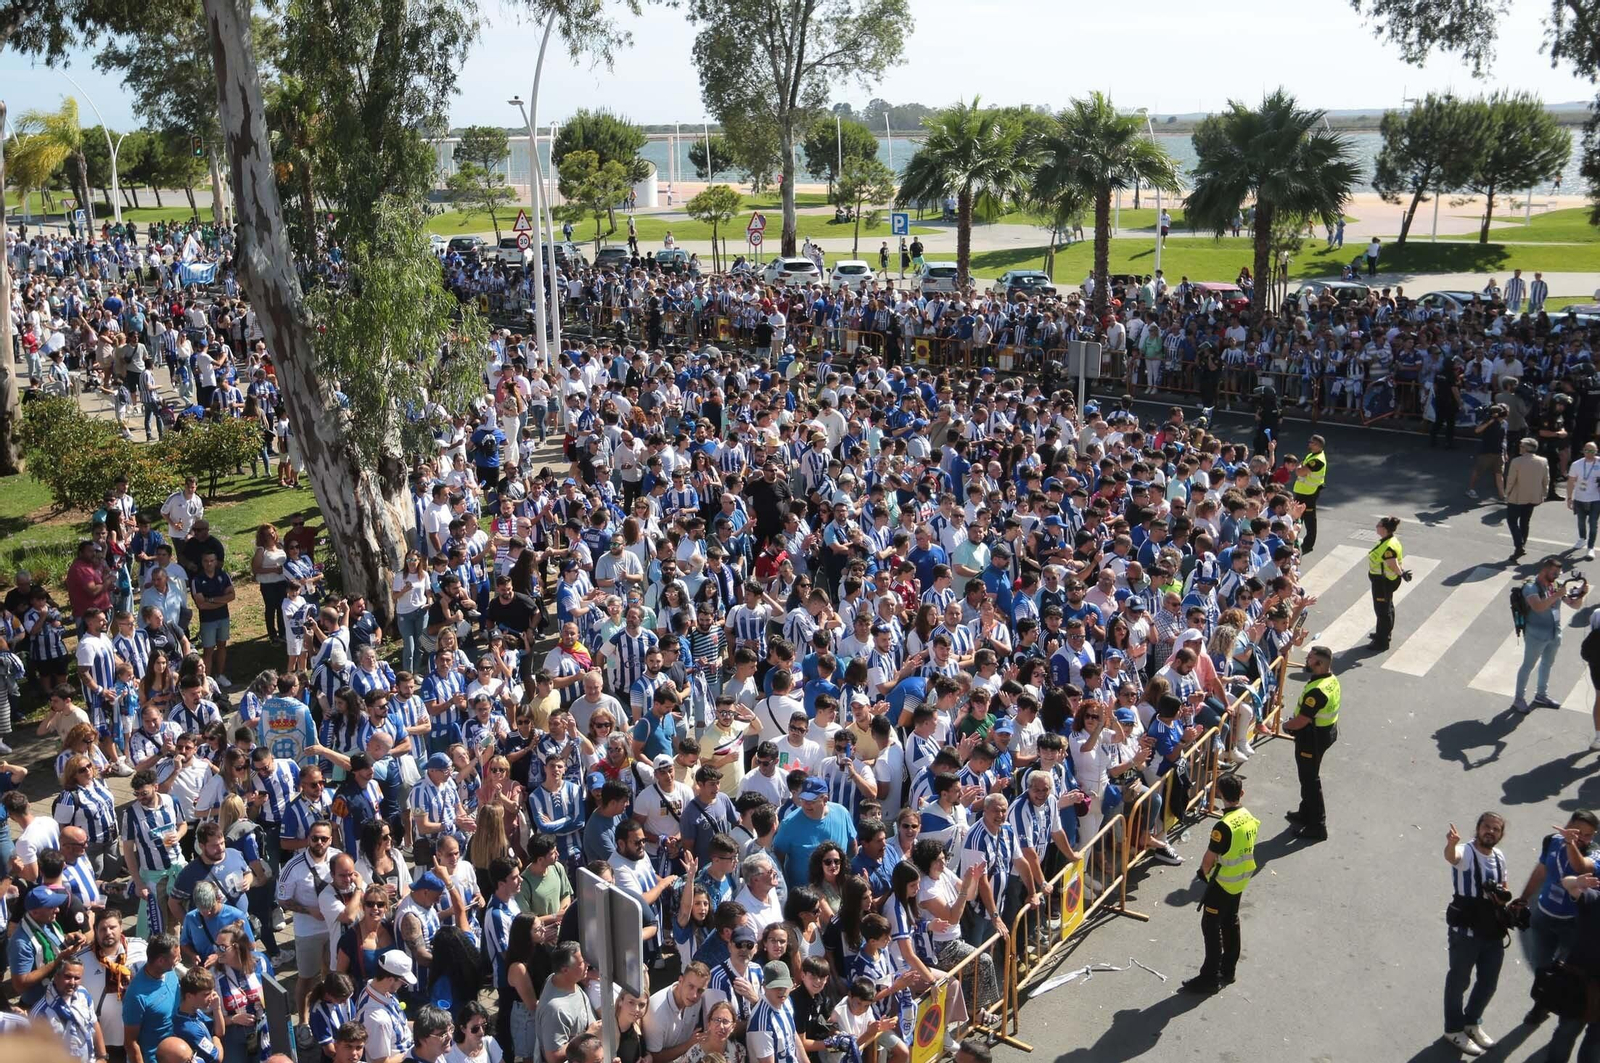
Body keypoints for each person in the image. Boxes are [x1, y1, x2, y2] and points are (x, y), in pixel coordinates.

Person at [1180, 773, 1256, 994]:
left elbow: (1209, 859)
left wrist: (1204, 874)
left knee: (1211, 928)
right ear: (1241, 793)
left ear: (1220, 794)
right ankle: (1228, 970)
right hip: (1240, 880)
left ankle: (1209, 978)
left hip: (1222, 882)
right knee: (1231, 921)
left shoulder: (1223, 826)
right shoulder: (1248, 816)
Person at [1442, 813, 1509, 1056]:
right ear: (1478, 828)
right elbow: (1453, 857)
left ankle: (1471, 1022)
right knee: (1459, 981)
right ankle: (1453, 1029)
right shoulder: (1466, 852)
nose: (1490, 831)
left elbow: (1504, 887)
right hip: (1466, 932)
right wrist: (1451, 844)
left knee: (1489, 982)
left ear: (1500, 834)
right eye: (1486, 827)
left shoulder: (1499, 857)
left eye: (1496, 829)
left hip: (1492, 930)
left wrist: (1502, 898)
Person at [1515, 556, 1588, 714]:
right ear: (1544, 571)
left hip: (1554, 632)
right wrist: (1556, 595)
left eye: (1558, 574)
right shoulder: (1531, 587)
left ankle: (1541, 695)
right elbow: (1538, 607)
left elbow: (1574, 605)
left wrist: (1581, 594)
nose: (1557, 576)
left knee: (1547, 664)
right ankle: (1519, 699)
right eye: (1554, 573)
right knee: (1528, 666)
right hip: (1536, 634)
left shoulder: (1555, 585)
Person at [1282, 644, 1339, 841]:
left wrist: (1286, 725)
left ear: (1320, 663)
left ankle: (1317, 826)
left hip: (1311, 739)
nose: (1307, 660)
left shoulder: (1318, 692)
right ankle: (1305, 812)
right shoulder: (1330, 679)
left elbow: (1302, 720)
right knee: (1308, 777)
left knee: (1309, 780)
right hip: (1324, 733)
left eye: (1310, 658)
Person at [124, 933, 182, 1063]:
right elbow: (130, 1042)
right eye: (176, 957)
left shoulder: (170, 972)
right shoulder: (136, 996)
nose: (180, 959)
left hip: (178, 1052)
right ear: (161, 961)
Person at [1363, 517, 1404, 653]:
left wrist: (1401, 573)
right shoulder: (1389, 540)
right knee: (1387, 607)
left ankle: (1382, 641)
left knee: (1382, 612)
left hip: (1383, 582)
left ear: (1385, 529)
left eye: (1379, 525)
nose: (1376, 526)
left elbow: (1392, 564)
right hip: (1383, 580)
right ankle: (1383, 633)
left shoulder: (1388, 546)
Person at [1506, 437, 1551, 559]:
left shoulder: (1517, 461)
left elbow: (1511, 480)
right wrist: (1544, 494)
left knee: (1512, 521)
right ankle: (1522, 545)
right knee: (1525, 521)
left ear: (1526, 448)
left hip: (1517, 497)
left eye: (1521, 446)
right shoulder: (1543, 461)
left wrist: (1507, 493)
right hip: (1533, 497)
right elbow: (1546, 479)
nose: (1519, 448)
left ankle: (1519, 545)